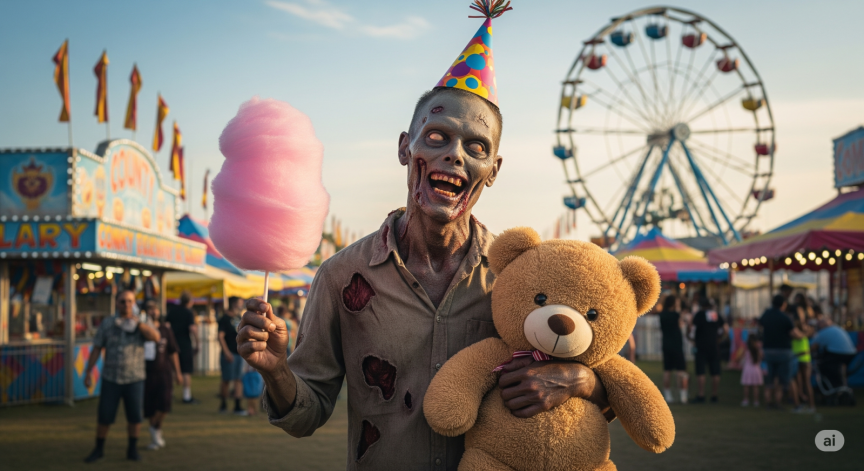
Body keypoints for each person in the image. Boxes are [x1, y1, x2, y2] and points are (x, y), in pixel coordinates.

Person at [235, 11, 632, 468]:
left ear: (494, 171)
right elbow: (305, 415)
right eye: (438, 136)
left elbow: (606, 391)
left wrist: (580, 382)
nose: (454, 155)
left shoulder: (519, 278)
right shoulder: (342, 276)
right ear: (406, 147)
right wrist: (277, 370)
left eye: (476, 147)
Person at [82, 290, 161, 463]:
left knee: (134, 417)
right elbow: (97, 347)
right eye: (122, 301)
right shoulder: (108, 322)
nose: (126, 305)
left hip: (135, 378)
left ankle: (132, 449)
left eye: (129, 301)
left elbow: (156, 337)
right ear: (116, 303)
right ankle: (99, 449)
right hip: (111, 377)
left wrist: (138, 324)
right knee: (104, 416)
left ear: (134, 303)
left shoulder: (142, 320)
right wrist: (88, 371)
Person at [142, 301, 182, 450]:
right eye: (149, 309)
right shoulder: (141, 329)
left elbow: (172, 351)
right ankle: (155, 436)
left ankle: (155, 428)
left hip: (164, 373)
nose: (153, 312)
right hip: (146, 374)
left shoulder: (165, 329)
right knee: (150, 407)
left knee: (165, 405)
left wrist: (177, 372)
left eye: (155, 309)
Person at [759, 294, 804, 410]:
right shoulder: (785, 317)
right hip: (783, 351)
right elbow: (795, 334)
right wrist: (805, 334)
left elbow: (759, 329)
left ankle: (769, 403)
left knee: (770, 379)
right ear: (783, 304)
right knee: (786, 379)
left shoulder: (766, 315)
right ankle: (794, 404)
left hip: (768, 350)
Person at [689, 296, 728, 403]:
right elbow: (725, 328)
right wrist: (721, 338)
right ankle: (714, 395)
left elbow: (692, 327)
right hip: (714, 345)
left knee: (700, 370)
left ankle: (701, 395)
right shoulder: (715, 314)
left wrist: (691, 338)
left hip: (701, 346)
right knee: (715, 371)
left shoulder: (699, 315)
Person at [167, 291, 199, 404]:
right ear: (190, 301)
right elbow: (192, 329)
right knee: (186, 371)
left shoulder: (172, 311)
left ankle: (169, 394)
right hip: (185, 344)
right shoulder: (188, 313)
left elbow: (167, 326)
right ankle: (186, 396)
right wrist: (197, 342)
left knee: (171, 370)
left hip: (172, 344)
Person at [217, 296, 246, 415]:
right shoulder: (224, 318)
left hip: (239, 353)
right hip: (229, 354)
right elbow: (220, 336)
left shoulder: (239, 317)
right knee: (226, 380)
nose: (241, 305)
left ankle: (237, 406)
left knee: (238, 379)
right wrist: (226, 352)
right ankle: (223, 404)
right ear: (234, 304)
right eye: (240, 302)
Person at [812, 318, 857, 390]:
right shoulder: (837, 328)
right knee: (838, 370)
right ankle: (841, 386)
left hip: (839, 354)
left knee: (824, 366)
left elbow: (813, 347)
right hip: (851, 354)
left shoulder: (823, 331)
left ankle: (835, 387)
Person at [659, 295, 689, 404]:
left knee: (667, 371)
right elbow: (681, 325)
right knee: (681, 370)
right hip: (677, 345)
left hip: (666, 344)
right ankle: (683, 395)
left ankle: (668, 395)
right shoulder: (677, 315)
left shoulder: (662, 315)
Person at [738, 332, 763, 407]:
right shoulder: (758, 349)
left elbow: (740, 358)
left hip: (747, 369)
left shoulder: (745, 348)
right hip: (756, 369)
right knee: (755, 387)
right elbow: (761, 357)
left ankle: (746, 400)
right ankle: (756, 401)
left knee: (746, 386)